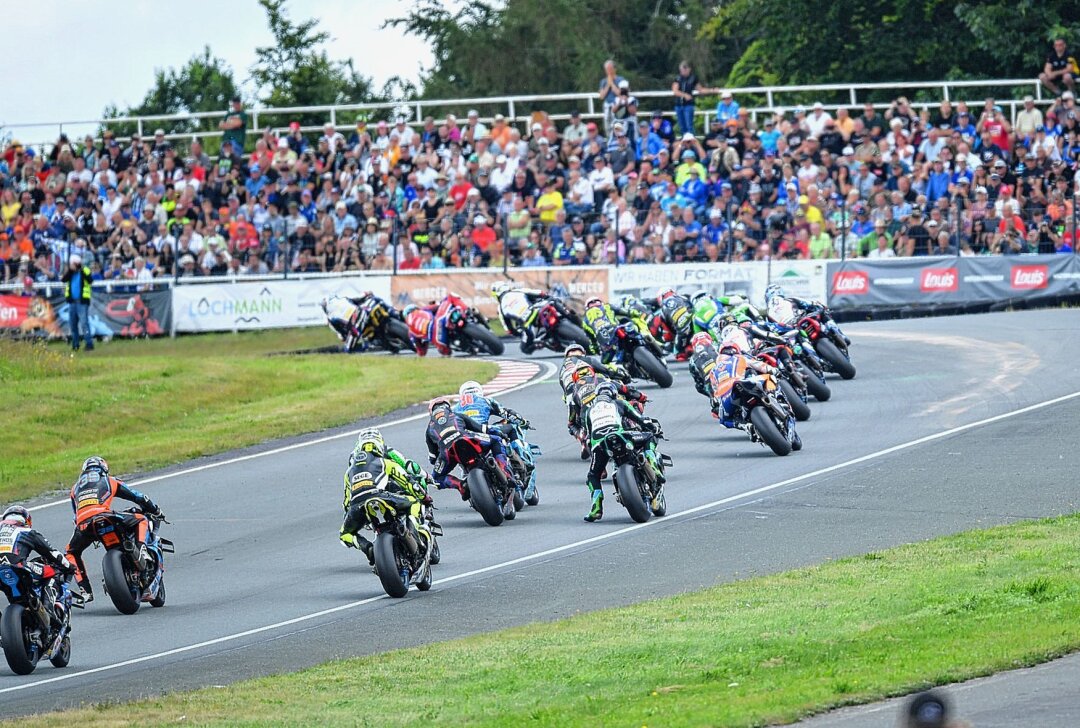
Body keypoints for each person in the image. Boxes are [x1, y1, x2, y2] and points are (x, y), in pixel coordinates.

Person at [65, 456, 163, 602]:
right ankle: (141, 547)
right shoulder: (109, 480)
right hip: (106, 516)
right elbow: (138, 497)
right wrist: (155, 510)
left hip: (84, 524)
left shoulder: (74, 489)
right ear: (104, 469)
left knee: (71, 551)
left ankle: (85, 590)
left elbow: (76, 516)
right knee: (141, 519)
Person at [571, 374, 664, 522]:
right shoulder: (618, 403)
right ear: (613, 394)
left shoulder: (589, 411)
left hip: (599, 444)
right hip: (621, 436)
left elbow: (588, 435)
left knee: (593, 476)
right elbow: (638, 418)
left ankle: (596, 507)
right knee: (648, 437)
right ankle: (654, 466)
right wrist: (652, 427)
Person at [339, 428, 432, 566]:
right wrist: (424, 497)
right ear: (379, 447)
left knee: (344, 535)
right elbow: (407, 481)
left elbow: (346, 502)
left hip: (357, 505)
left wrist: (350, 517)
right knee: (414, 503)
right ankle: (414, 534)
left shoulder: (349, 472)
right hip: (381, 495)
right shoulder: (385, 462)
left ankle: (367, 548)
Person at [454, 381, 537, 501]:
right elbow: (507, 413)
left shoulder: (455, 408)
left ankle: (465, 476)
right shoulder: (486, 400)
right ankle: (522, 458)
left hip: (464, 438)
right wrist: (523, 422)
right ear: (479, 391)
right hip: (485, 432)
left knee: (457, 453)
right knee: (511, 428)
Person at [425, 398, 520, 498]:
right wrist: (500, 433)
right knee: (496, 440)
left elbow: (433, 457)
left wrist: (440, 460)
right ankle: (504, 469)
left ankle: (460, 485)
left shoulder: (429, 429)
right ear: (448, 407)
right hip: (466, 438)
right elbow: (482, 429)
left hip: (447, 451)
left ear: (431, 412)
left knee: (436, 478)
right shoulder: (456, 415)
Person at [0, 506, 77, 624]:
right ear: (26, 521)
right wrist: (69, 567)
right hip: (18, 567)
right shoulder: (27, 532)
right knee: (53, 571)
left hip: (9, 570)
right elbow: (52, 553)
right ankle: (48, 610)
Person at [491, 280, 574, 353]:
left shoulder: (500, 308)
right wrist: (548, 297)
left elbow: (509, 329)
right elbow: (539, 293)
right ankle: (570, 316)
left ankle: (542, 343)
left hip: (528, 324)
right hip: (536, 310)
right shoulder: (517, 291)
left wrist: (519, 334)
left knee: (524, 348)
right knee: (555, 301)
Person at [61, 253, 94, 352]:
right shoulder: (70, 273)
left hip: (82, 302)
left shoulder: (85, 271)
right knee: (73, 324)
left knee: (84, 323)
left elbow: (90, 280)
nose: (70, 266)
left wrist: (81, 269)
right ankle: (75, 344)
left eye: (72, 264)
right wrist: (70, 271)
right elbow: (63, 280)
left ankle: (89, 343)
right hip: (72, 302)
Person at [672, 61, 713, 136]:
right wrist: (685, 95)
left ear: (688, 69)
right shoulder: (678, 78)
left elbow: (700, 90)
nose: (682, 71)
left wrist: (712, 90)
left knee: (689, 126)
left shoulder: (693, 78)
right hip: (678, 105)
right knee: (682, 127)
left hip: (688, 105)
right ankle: (685, 143)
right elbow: (675, 91)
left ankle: (692, 144)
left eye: (684, 69)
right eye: (681, 70)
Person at [653, 288, 695, 360]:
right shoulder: (684, 297)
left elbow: (667, 333)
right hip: (694, 323)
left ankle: (689, 350)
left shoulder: (661, 311)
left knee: (679, 355)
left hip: (681, 333)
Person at [598, 60, 626, 135]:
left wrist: (612, 84)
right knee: (608, 128)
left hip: (618, 107)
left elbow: (621, 94)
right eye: (607, 69)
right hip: (607, 107)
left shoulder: (621, 80)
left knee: (618, 127)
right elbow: (601, 96)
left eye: (610, 69)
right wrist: (608, 85)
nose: (608, 71)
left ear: (614, 69)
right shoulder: (603, 81)